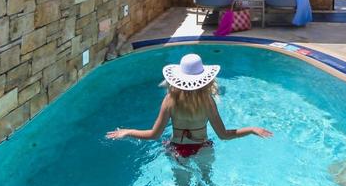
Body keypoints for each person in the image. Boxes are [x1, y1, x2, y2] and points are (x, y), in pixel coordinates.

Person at [106, 53, 272, 157]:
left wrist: (128, 132)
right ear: (205, 80)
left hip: (176, 150)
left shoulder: (170, 100)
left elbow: (154, 135)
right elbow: (223, 135)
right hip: (203, 149)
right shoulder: (208, 102)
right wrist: (251, 129)